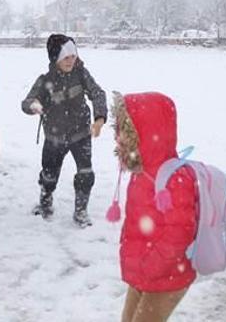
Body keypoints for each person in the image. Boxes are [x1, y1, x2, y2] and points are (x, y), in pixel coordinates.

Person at [112, 91, 198, 322]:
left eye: (126, 132)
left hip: (168, 275)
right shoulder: (141, 174)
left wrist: (150, 265)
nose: (119, 139)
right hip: (146, 271)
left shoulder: (175, 179)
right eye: (119, 131)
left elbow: (179, 235)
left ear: (146, 133)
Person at [21, 34, 107, 227]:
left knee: (86, 173)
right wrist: (33, 105)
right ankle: (46, 200)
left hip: (81, 134)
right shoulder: (45, 81)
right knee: (49, 175)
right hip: (54, 137)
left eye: (73, 56)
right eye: (65, 57)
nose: (70, 61)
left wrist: (99, 118)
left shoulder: (81, 74)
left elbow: (97, 93)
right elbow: (27, 101)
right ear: (55, 58)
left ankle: (81, 210)